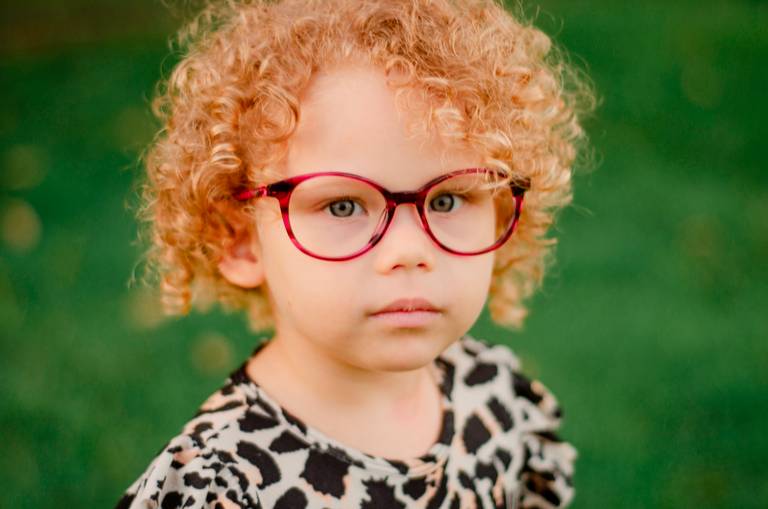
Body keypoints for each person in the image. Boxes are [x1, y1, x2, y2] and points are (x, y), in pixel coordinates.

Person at [117, 0, 594, 507]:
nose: (409, 251)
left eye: (448, 200)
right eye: (343, 205)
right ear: (237, 238)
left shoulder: (494, 397)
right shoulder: (220, 486)